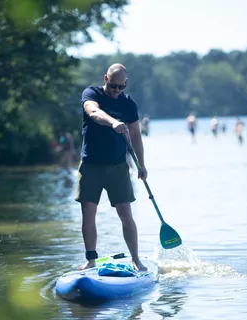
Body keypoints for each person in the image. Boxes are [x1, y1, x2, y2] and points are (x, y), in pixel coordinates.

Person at [75, 63, 148, 271]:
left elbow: (135, 135)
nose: (117, 91)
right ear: (106, 79)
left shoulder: (128, 104)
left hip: (117, 166)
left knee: (126, 215)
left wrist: (141, 164)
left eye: (121, 87)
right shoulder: (91, 93)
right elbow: (93, 112)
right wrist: (113, 122)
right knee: (88, 213)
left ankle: (136, 260)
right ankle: (91, 259)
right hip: (90, 165)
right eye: (114, 86)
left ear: (125, 85)